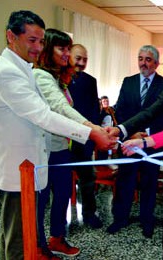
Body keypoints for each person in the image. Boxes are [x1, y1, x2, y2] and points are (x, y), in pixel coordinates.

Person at [0, 10, 113, 259]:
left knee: (14, 236)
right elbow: (45, 115)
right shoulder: (8, 72)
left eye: (41, 41)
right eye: (32, 40)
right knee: (18, 243)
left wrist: (92, 129)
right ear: (11, 36)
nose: (37, 47)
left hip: (25, 168)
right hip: (17, 170)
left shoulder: (22, 67)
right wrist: (91, 133)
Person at [34, 29, 105, 258]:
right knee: (41, 199)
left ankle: (57, 238)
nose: (67, 54)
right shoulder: (41, 76)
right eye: (62, 49)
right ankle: (38, 245)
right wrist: (93, 130)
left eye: (68, 49)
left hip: (62, 148)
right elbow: (61, 109)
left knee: (63, 194)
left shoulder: (58, 78)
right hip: (44, 152)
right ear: (47, 49)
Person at [106, 45, 163, 238]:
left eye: (148, 59)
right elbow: (120, 110)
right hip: (129, 142)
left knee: (149, 182)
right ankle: (120, 218)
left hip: (151, 143)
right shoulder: (129, 82)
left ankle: (147, 221)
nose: (143, 63)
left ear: (156, 63)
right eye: (140, 58)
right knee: (125, 180)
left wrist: (147, 135)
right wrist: (132, 134)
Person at [67, 44, 104, 229]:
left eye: (85, 59)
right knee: (60, 183)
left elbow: (94, 112)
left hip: (84, 139)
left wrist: (93, 137)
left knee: (87, 180)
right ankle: (58, 222)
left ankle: (89, 214)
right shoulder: (57, 79)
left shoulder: (90, 81)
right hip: (62, 139)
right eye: (78, 58)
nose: (81, 63)